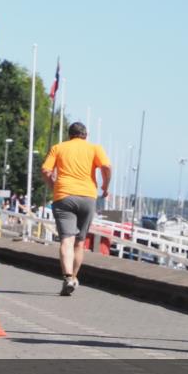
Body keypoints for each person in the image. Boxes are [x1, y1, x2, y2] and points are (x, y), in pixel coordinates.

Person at [41, 122, 112, 296]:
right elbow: (106, 167)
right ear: (86, 135)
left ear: (69, 135)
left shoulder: (58, 148)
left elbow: (45, 170)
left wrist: (52, 186)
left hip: (64, 196)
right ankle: (73, 276)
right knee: (80, 242)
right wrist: (105, 186)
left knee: (67, 240)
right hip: (88, 197)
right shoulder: (95, 148)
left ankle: (68, 278)